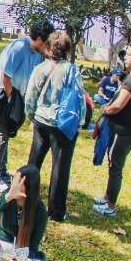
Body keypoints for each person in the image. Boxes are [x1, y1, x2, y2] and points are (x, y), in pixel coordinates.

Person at [23, 30, 82, 223]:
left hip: (41, 120)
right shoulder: (71, 70)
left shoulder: (40, 68)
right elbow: (79, 98)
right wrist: (80, 122)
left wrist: (31, 116)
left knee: (33, 163)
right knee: (60, 168)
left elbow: (30, 95)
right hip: (62, 124)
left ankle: (24, 198)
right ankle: (56, 211)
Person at [0, 23, 52, 190]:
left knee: (8, 132)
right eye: (47, 43)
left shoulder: (36, 54)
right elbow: (5, 77)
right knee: (3, 133)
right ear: (39, 39)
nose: (47, 47)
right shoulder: (18, 48)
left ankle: (2, 170)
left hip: (16, 96)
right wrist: (11, 99)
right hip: (2, 94)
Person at [94, 43, 131, 218]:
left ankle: (110, 206)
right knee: (113, 164)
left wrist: (105, 110)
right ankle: (106, 197)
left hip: (124, 132)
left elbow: (118, 105)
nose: (125, 58)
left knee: (115, 167)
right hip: (122, 130)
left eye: (129, 55)